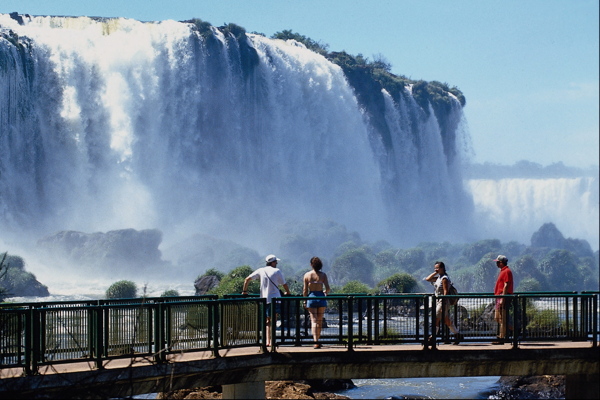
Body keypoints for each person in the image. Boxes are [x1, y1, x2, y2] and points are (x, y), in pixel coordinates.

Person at [242, 254, 290, 347]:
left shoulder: (261, 270)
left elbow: (247, 279)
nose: (277, 263)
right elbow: (284, 284)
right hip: (275, 299)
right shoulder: (277, 271)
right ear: (272, 262)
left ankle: (267, 341)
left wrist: (244, 291)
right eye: (276, 261)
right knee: (274, 320)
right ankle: (272, 341)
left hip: (264, 300)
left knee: (267, 321)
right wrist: (287, 292)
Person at [424, 261, 463, 345]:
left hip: (443, 301)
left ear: (442, 268)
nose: (436, 269)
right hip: (439, 301)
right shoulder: (439, 277)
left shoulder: (444, 278)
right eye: (435, 268)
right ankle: (457, 334)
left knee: (436, 318)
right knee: (446, 320)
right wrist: (435, 272)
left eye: (437, 268)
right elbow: (428, 279)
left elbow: (446, 291)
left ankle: (432, 337)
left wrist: (444, 303)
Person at [302, 256, 331, 349]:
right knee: (319, 320)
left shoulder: (307, 275)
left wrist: (304, 300)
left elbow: (305, 290)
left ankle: (316, 341)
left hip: (311, 298)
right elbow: (328, 288)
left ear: (311, 265)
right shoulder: (323, 275)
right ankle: (318, 339)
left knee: (313, 320)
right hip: (321, 298)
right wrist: (325, 293)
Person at [493, 255, 513, 344]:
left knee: (502, 318)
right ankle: (512, 329)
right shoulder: (503, 271)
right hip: (499, 296)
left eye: (497, 262)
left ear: (501, 263)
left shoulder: (507, 271)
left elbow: (506, 285)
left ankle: (501, 338)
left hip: (503, 296)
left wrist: (503, 298)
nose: (496, 264)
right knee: (497, 318)